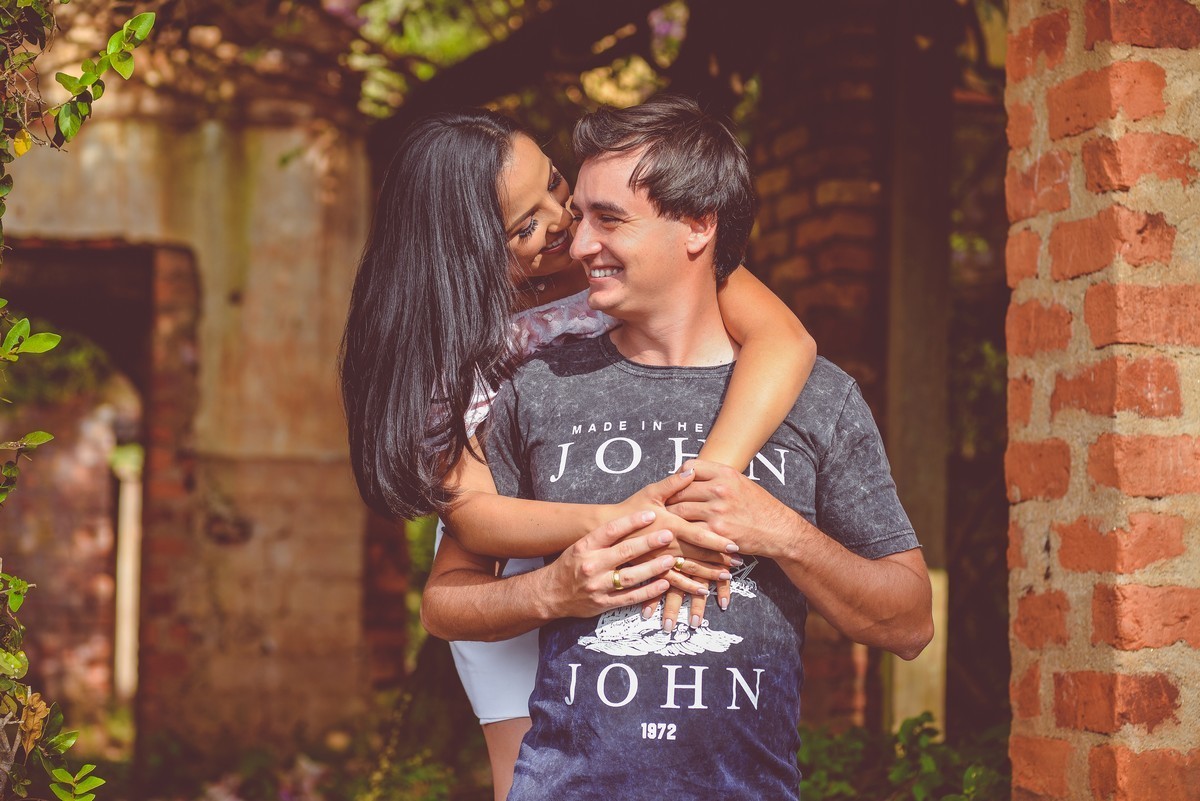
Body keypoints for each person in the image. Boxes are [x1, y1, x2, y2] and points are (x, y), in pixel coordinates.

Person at [422, 95, 934, 798]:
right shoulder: (534, 388)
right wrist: (555, 587)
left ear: (698, 224)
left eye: (606, 218)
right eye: (574, 218)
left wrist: (778, 529)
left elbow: (909, 621)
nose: (574, 242)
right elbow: (447, 595)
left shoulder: (814, 396)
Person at [339, 108, 817, 799]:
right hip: (526, 549)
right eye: (526, 226)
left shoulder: (624, 257)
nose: (563, 224)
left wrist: (699, 485)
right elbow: (475, 517)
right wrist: (623, 521)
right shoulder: (448, 348)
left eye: (555, 185)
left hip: (652, 504)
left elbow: (786, 342)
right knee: (535, 777)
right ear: (467, 251)